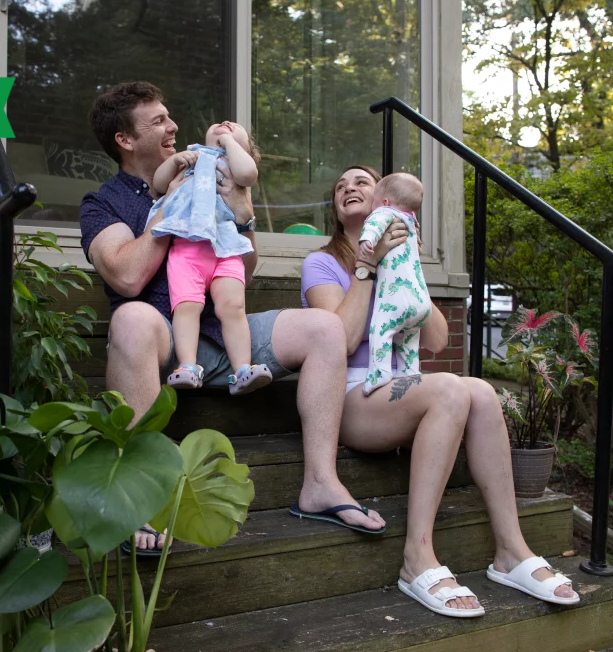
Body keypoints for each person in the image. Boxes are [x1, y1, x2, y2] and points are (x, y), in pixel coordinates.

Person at [79, 82, 386, 555]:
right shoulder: (103, 204)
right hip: (161, 339)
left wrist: (242, 218)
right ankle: (136, 497)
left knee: (324, 327)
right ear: (124, 139)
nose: (173, 126)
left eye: (169, 116)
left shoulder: (207, 171)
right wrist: (172, 209)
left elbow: (244, 268)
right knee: (132, 319)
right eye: (158, 120)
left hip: (224, 331)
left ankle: (321, 484)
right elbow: (125, 276)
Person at [300, 165, 580, 618]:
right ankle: (417, 556)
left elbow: (435, 340)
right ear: (336, 207)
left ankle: (512, 550)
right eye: (340, 186)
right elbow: (344, 339)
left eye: (361, 183)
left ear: (388, 201)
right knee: (450, 389)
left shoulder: (404, 252)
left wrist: (407, 265)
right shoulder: (321, 263)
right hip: (349, 395)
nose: (349, 188)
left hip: (398, 387)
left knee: (483, 393)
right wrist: (368, 266)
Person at [149, 121, 272, 395]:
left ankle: (242, 369)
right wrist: (175, 162)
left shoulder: (235, 168)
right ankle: (188, 366)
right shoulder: (191, 158)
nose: (226, 124)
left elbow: (249, 173)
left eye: (236, 128)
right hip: (187, 248)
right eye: (221, 125)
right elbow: (159, 184)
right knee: (186, 307)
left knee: (233, 308)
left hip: (225, 250)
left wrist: (229, 144)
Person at [355, 172, 429, 394]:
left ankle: (380, 373)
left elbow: (375, 223)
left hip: (396, 299)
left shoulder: (384, 212)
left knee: (382, 330)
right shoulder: (411, 222)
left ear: (385, 202)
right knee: (408, 340)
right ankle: (410, 373)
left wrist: (367, 240)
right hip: (420, 301)